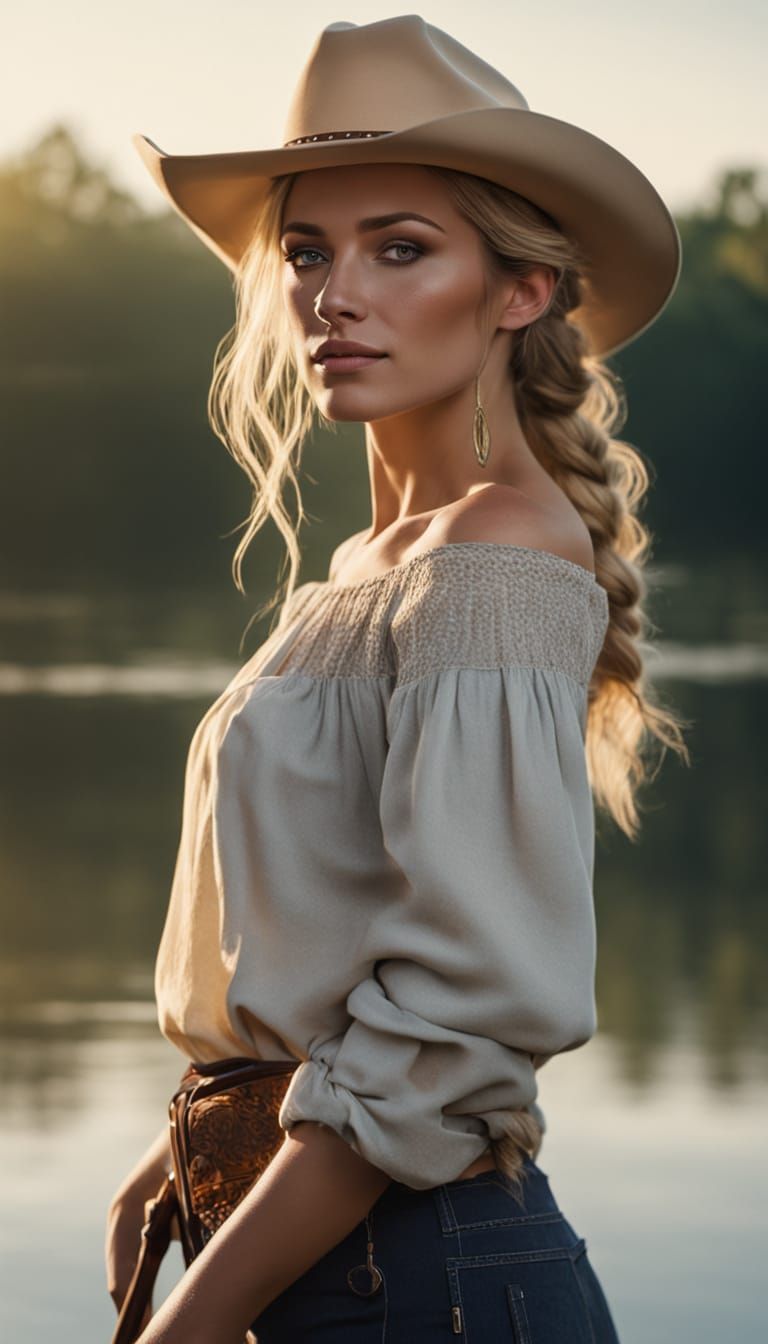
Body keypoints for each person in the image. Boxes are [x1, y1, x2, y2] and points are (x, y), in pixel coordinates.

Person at [107, 15, 689, 1342]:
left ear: (521, 289)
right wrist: (182, 1152)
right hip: (325, 1253)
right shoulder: (372, 562)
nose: (332, 294)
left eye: (401, 248)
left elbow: (462, 1024)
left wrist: (192, 1324)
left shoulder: (493, 560)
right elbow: (320, 949)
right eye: (309, 251)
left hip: (424, 1284)